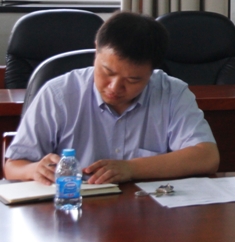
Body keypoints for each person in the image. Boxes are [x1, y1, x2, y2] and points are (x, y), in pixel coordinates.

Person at [4, 11, 220, 185]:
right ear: (96, 51)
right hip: (73, 210)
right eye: (107, 72)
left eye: (133, 79)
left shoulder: (172, 92)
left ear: (152, 71)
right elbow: (13, 166)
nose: (115, 87)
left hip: (146, 213)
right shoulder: (58, 93)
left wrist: (131, 168)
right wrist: (34, 170)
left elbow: (207, 157)